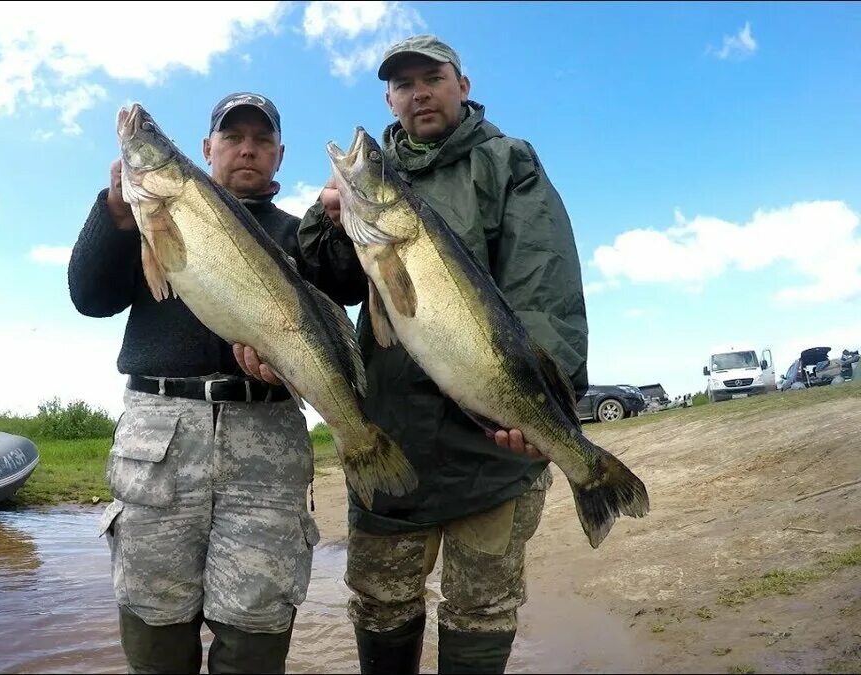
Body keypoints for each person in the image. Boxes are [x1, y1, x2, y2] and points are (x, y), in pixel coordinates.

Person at [235, 35, 588, 674]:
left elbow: (545, 286)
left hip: (491, 449)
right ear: (390, 98)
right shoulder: (367, 185)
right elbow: (329, 280)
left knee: (481, 608)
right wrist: (326, 216)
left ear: (464, 84)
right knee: (381, 604)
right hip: (390, 435)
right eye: (403, 84)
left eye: (432, 77)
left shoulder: (509, 164)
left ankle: (592, 475)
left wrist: (545, 399)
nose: (418, 92)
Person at [68, 92, 320, 674]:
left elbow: (329, 316)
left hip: (268, 438)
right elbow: (89, 297)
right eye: (234, 138)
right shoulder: (146, 216)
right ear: (207, 150)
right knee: (154, 620)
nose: (247, 150)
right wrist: (112, 212)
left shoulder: (298, 235)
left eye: (261, 140)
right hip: (159, 435)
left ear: (280, 155)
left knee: (255, 624)